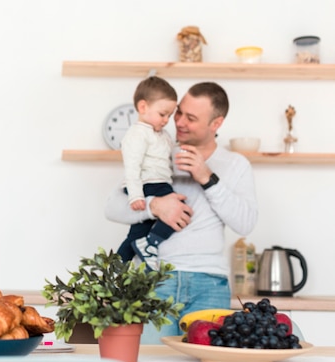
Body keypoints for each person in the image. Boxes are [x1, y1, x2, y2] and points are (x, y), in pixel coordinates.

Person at [105, 82, 258, 344]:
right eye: (179, 113)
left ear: (216, 123)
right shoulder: (157, 149)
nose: (179, 122)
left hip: (209, 284)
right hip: (152, 282)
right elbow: (112, 207)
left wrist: (207, 177)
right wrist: (154, 205)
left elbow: (245, 223)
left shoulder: (235, 164)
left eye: (191, 118)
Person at [119, 76, 178, 270]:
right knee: (178, 207)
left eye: (169, 115)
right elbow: (132, 166)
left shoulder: (160, 134)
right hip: (149, 183)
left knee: (138, 232)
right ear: (143, 107)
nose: (166, 120)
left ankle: (114, 268)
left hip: (159, 182)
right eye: (163, 114)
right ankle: (151, 244)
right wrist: (135, 194)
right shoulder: (137, 134)